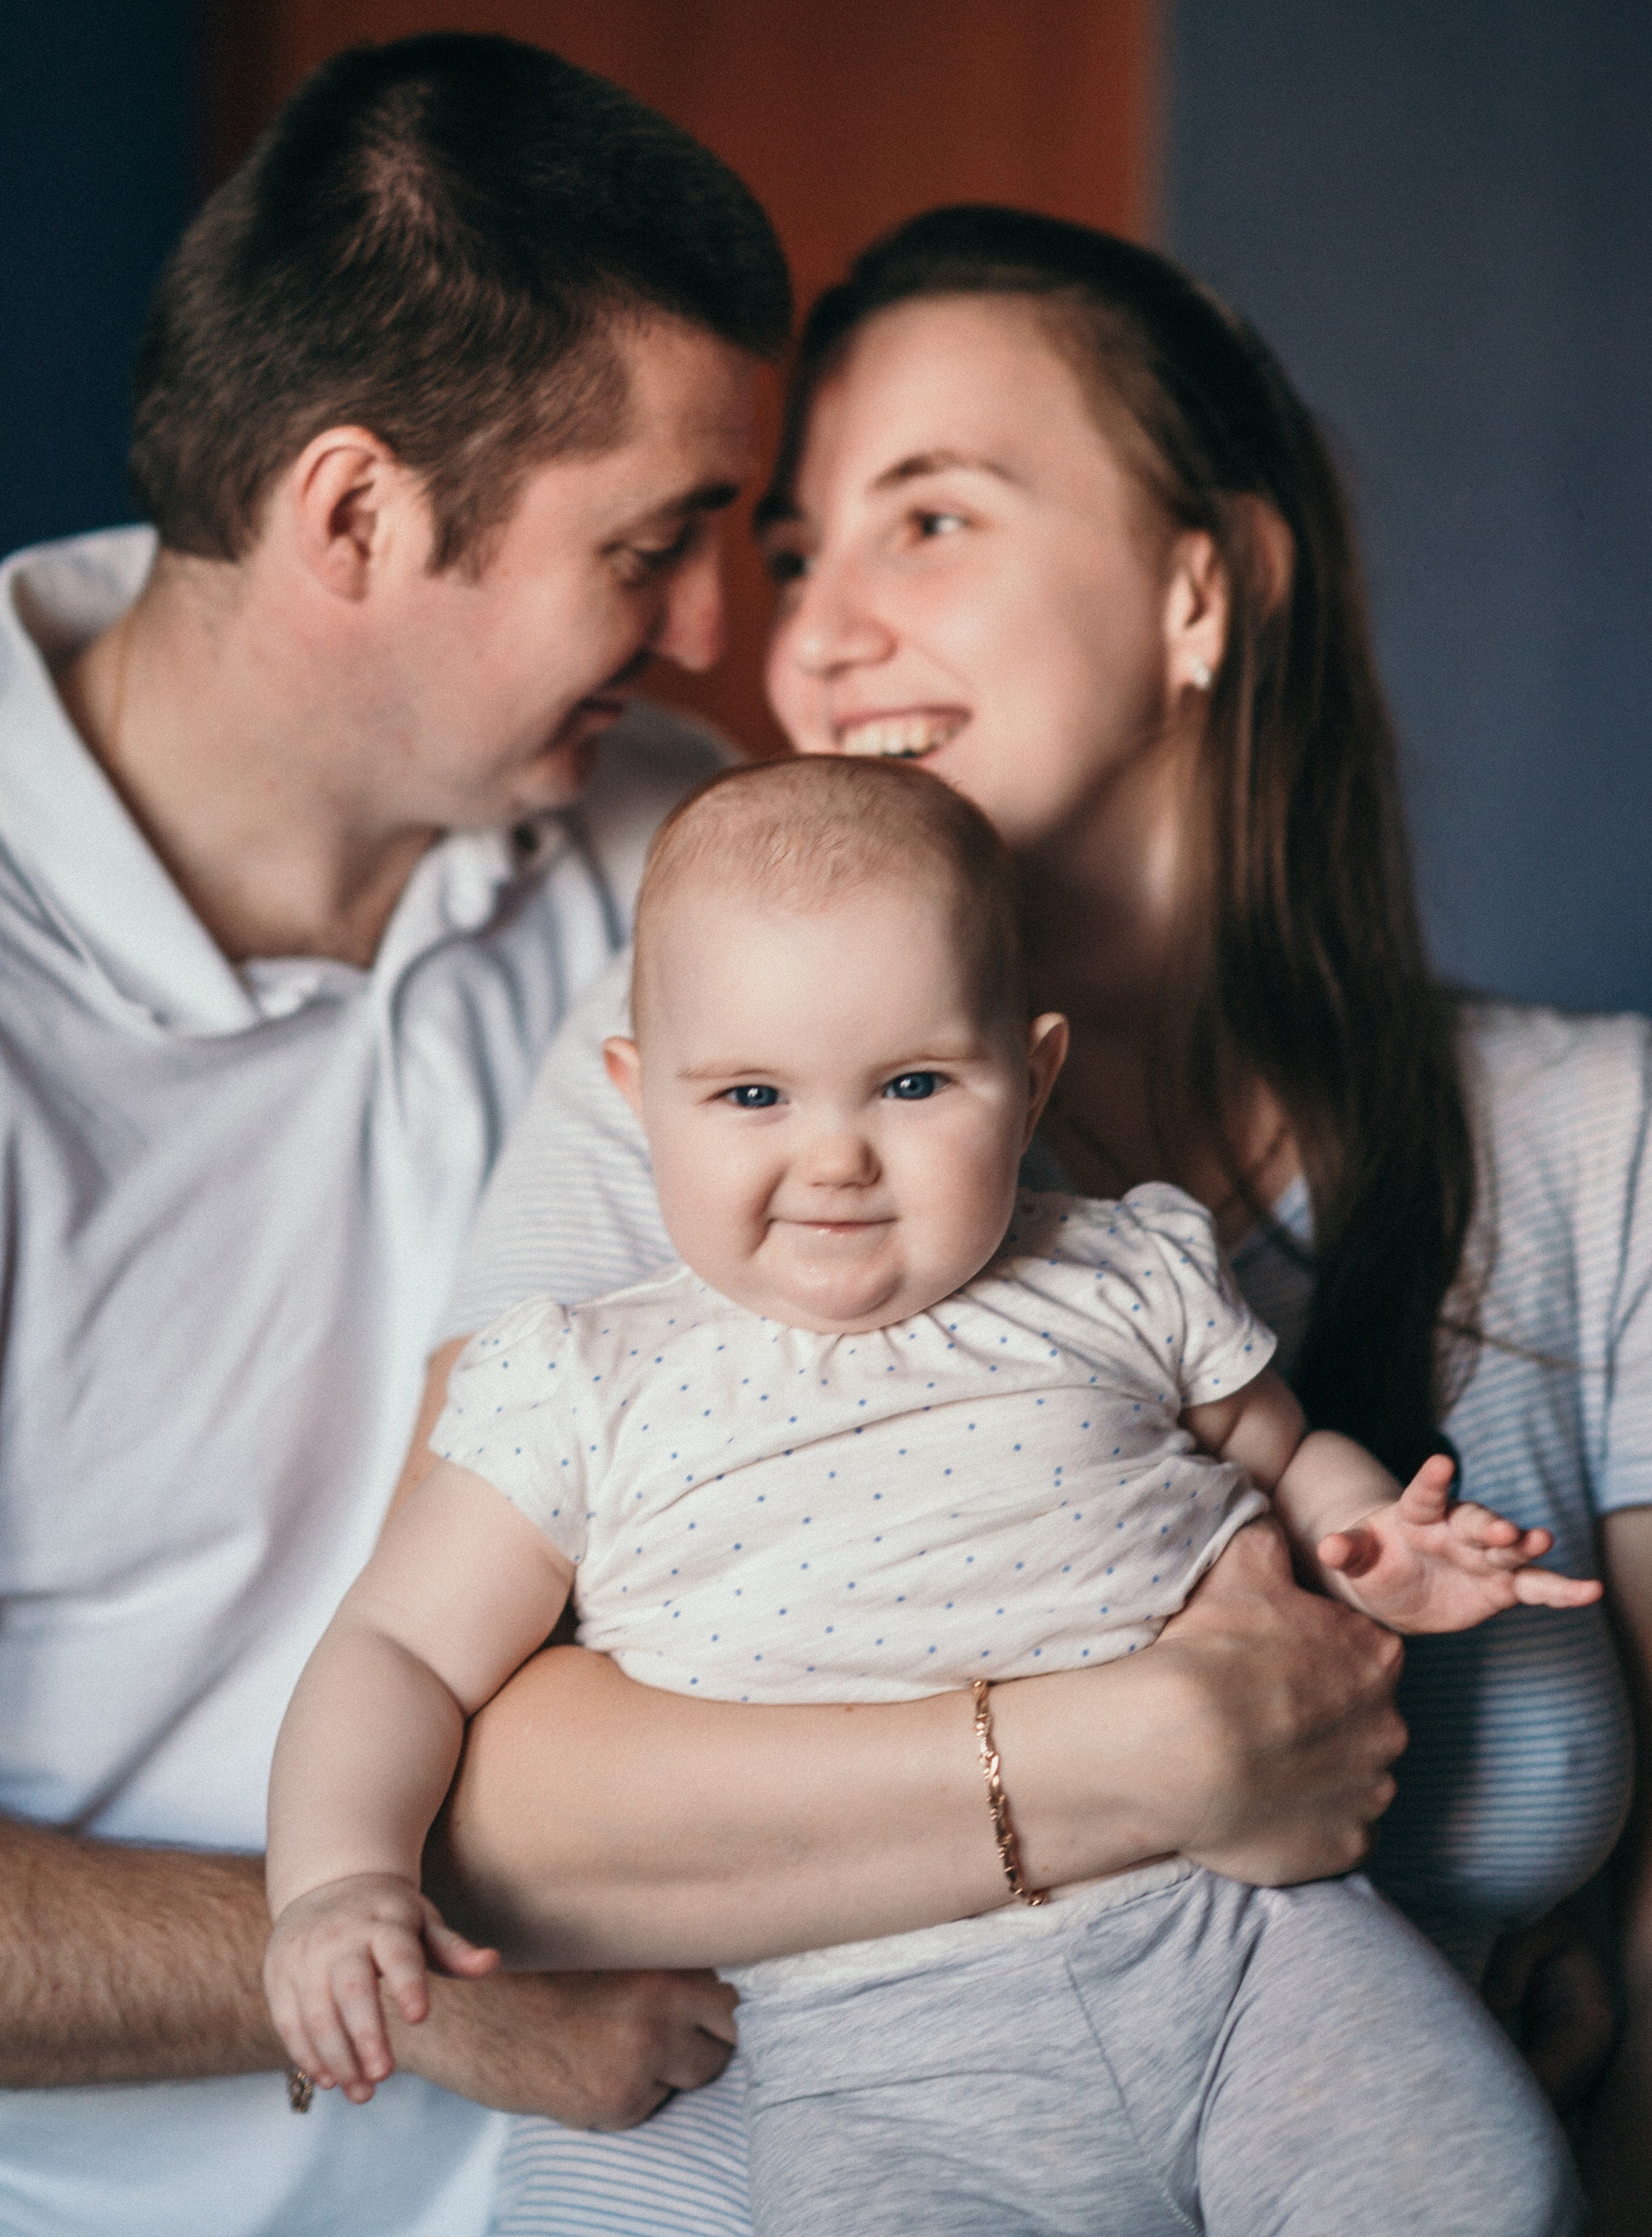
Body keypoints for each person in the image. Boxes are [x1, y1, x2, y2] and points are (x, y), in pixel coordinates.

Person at [404, 210, 1652, 2234]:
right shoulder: (697, 1108)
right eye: (799, 553)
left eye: (929, 521)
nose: (813, 639)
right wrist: (1152, 1749)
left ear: (1199, 589)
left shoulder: (1594, 1139)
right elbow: (482, 1814)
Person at [266, 756, 1590, 2237]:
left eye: (911, 1085)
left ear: (1030, 1079)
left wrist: (1378, 1541)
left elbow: (1284, 1462)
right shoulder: (581, 1384)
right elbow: (395, 1647)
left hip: (1255, 1948)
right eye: (751, 1094)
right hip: (877, 2048)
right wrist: (335, 1877)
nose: (834, 1157)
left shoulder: (1121, 1273)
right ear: (638, 1098)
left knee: (1479, 2187)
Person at [0, 29, 795, 2237]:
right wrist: (436, 2011)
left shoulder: (681, 851)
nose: (715, 632)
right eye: (651, 544)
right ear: (354, 513)